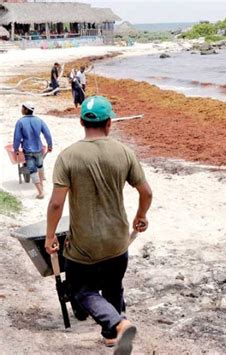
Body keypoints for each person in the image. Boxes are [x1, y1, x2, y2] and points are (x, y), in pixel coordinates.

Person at [45, 96, 153, 354]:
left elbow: (57, 204)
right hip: (118, 241)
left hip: (84, 246)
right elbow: (146, 192)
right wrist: (141, 217)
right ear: (109, 124)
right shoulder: (123, 152)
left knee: (81, 291)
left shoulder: (68, 157)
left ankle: (117, 324)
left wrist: (50, 236)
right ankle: (110, 335)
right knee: (113, 285)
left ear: (82, 121)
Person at [13, 103, 53, 199]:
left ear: (26, 110)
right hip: (39, 148)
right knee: (40, 165)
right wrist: (50, 145)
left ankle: (40, 192)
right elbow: (47, 134)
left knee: (32, 171)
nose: (21, 109)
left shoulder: (20, 122)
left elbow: (17, 138)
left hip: (28, 150)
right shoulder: (39, 120)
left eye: (23, 108)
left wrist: (16, 149)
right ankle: (42, 186)